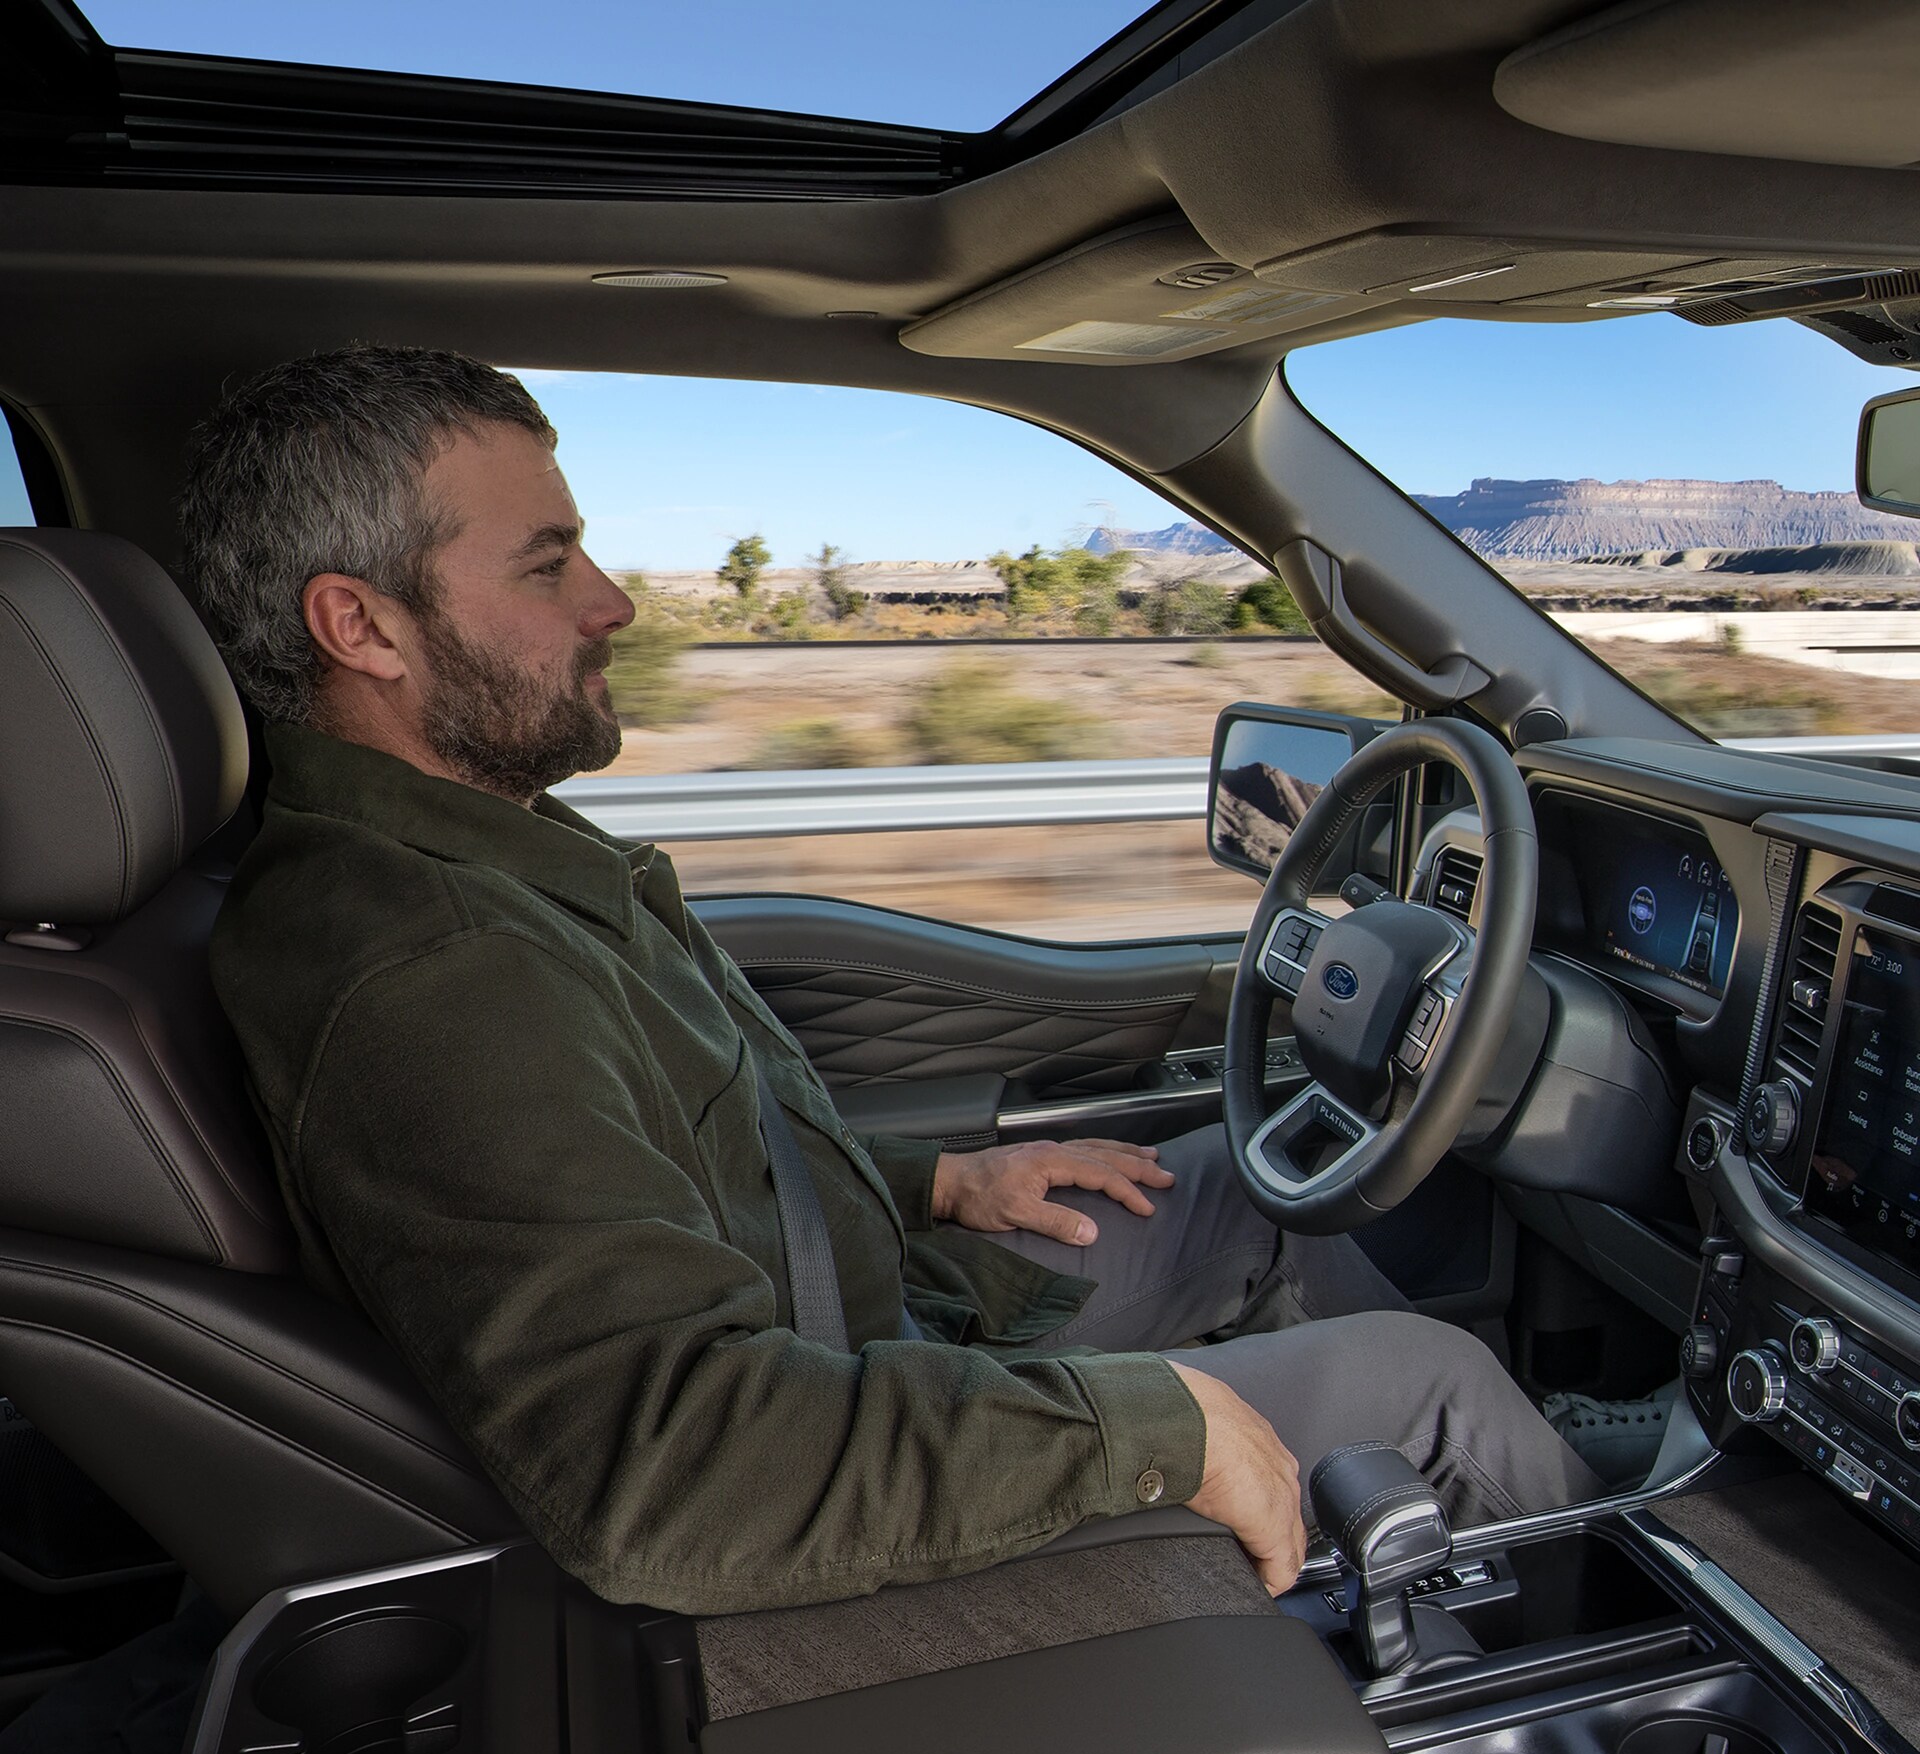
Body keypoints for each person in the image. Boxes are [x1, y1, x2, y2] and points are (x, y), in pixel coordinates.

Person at [184, 345, 1603, 1617]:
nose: (613, 604)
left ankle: (1375, 1554)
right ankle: (1617, 1683)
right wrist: (1154, 1435)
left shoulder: (473, 851)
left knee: (1241, 1186)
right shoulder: (434, 971)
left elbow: (663, 1154)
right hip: (833, 1442)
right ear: (360, 628)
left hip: (877, 1324)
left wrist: (932, 1185)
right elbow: (675, 1472)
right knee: (1439, 1389)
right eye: (547, 566)